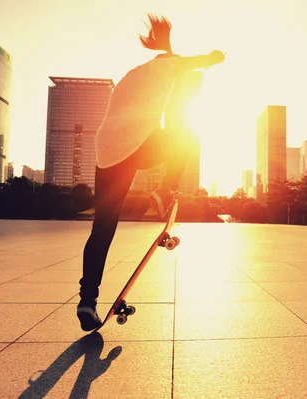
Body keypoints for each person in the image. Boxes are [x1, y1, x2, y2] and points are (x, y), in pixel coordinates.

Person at [77, 14, 225, 331]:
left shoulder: (136, 73)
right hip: (135, 143)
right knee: (186, 136)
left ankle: (87, 301)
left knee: (102, 227)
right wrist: (213, 58)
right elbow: (207, 59)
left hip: (107, 151)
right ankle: (164, 190)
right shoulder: (170, 64)